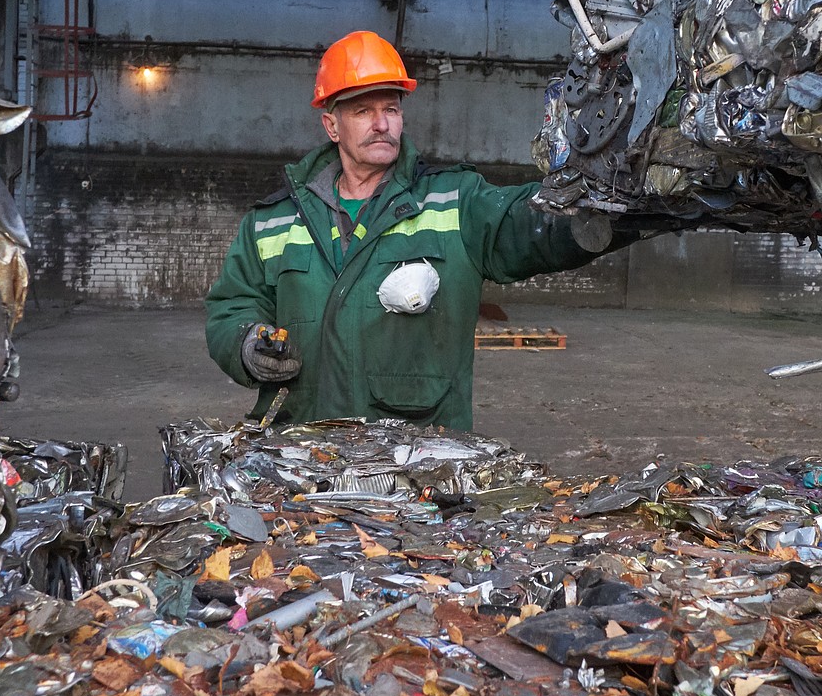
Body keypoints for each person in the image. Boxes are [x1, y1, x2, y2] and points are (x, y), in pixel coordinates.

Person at [205, 30, 602, 429]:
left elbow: (530, 222)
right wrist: (247, 341)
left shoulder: (455, 200)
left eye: (391, 109)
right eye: (362, 112)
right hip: (303, 456)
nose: (381, 124)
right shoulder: (272, 221)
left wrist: (608, 204)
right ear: (332, 125)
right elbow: (232, 307)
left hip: (417, 458)